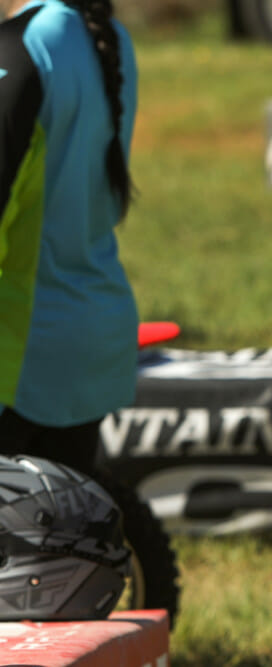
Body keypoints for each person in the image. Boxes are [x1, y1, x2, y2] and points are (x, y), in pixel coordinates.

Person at [0, 0, 139, 477]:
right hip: (92, 335)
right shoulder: (111, 38)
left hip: (21, 353)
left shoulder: (24, 45)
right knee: (58, 522)